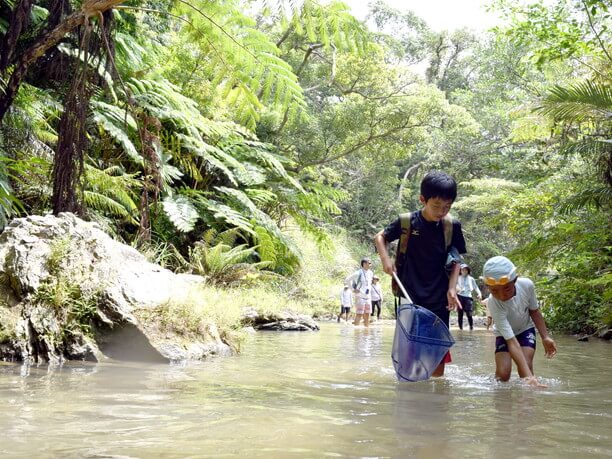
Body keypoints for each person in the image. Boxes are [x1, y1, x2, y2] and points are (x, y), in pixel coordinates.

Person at [374, 171, 466, 377]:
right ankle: (411, 394)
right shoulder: (407, 222)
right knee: (410, 350)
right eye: (436, 206)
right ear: (422, 199)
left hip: (440, 297)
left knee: (437, 350)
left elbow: (456, 258)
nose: (442, 211)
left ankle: (435, 395)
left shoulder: (452, 226)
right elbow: (380, 237)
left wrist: (452, 288)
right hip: (410, 296)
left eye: (447, 207)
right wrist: (385, 260)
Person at [483, 255, 557, 387]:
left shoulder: (527, 285)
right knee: (503, 375)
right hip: (504, 335)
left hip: (525, 329)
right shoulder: (493, 303)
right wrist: (529, 376)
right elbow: (511, 341)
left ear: (515, 280)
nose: (502, 295)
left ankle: (528, 397)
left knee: (526, 366)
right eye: (494, 291)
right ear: (488, 287)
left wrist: (545, 337)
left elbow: (534, 311)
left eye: (506, 288)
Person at [346, 257, 374, 327]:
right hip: (360, 296)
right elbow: (347, 280)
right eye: (369, 263)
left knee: (367, 314)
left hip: (368, 297)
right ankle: (356, 332)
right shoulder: (358, 273)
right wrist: (352, 289)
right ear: (364, 264)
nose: (370, 265)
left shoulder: (370, 273)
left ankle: (366, 332)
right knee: (359, 314)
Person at [456, 263, 482, 330]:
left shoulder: (471, 279)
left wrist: (479, 293)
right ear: (460, 271)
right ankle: (460, 329)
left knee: (469, 313)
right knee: (460, 313)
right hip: (459, 296)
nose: (464, 271)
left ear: (468, 271)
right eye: (462, 270)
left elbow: (476, 287)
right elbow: (454, 286)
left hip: (468, 297)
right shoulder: (457, 278)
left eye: (465, 270)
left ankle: (471, 327)